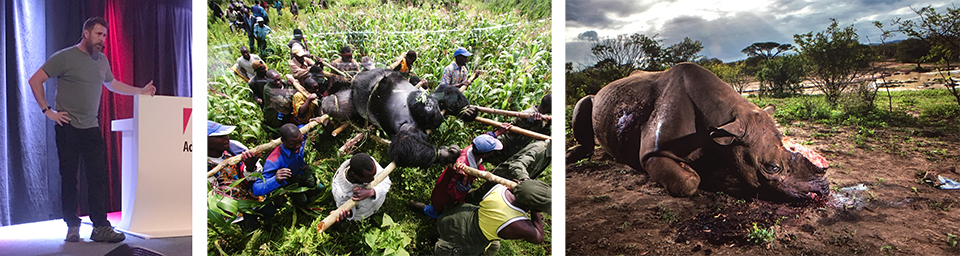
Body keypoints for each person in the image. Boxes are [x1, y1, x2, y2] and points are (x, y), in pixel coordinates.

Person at [27, 17, 156, 243]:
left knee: (98, 178)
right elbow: (35, 80)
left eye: (104, 36)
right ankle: (72, 225)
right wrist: (48, 111)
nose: (102, 40)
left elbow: (112, 84)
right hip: (67, 127)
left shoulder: (102, 60)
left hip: (91, 128)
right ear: (86, 33)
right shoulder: (65, 57)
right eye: (98, 35)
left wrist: (140, 91)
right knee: (69, 178)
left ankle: (100, 227)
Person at [434, 180, 550, 255]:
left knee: (495, 246)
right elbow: (539, 238)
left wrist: (524, 189)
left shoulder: (499, 189)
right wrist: (536, 211)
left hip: (457, 215)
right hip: (465, 238)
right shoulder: (519, 225)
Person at [410, 134, 503, 218]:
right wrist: (464, 179)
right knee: (440, 210)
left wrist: (497, 133)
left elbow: (483, 140)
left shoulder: (472, 149)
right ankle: (423, 209)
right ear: (485, 155)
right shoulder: (462, 167)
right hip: (445, 195)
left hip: (444, 187)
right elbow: (455, 193)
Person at [252, 124, 322, 197]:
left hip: (301, 171)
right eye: (293, 144)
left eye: (300, 141)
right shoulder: (274, 160)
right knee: (302, 200)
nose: (298, 146)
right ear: (283, 141)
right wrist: (275, 179)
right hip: (290, 183)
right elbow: (257, 189)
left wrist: (315, 121)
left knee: (319, 188)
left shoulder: (297, 136)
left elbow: (304, 126)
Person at [206, 121, 262, 201]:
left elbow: (257, 178)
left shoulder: (235, 147)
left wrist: (250, 167)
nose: (227, 138)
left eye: (226, 134)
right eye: (220, 136)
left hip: (251, 199)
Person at [331, 153, 392, 221]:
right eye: (368, 178)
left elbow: (386, 182)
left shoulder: (369, 164)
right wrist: (348, 213)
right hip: (363, 216)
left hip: (378, 203)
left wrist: (372, 192)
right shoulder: (339, 192)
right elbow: (348, 210)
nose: (373, 179)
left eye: (373, 175)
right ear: (354, 175)